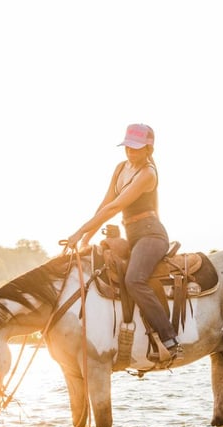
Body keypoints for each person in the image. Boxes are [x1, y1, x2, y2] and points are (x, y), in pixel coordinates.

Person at [65, 123, 183, 363]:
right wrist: (88, 237)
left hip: (151, 235)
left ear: (149, 148)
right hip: (131, 234)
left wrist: (79, 231)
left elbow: (116, 206)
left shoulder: (148, 173)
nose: (130, 151)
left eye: (136, 147)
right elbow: (105, 203)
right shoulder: (121, 169)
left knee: (134, 279)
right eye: (128, 146)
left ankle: (168, 338)